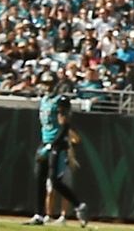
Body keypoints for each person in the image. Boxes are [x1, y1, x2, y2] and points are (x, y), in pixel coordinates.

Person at [29, 93, 87, 228]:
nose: (46, 86)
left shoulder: (60, 101)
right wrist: (46, 144)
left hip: (58, 144)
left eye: (49, 83)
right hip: (46, 142)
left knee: (54, 180)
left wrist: (53, 144)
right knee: (39, 178)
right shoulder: (44, 100)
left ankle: (78, 205)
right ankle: (39, 214)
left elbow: (65, 125)